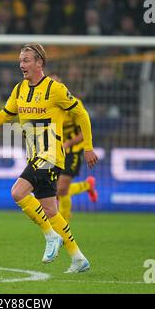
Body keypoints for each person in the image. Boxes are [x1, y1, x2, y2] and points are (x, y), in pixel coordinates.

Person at [0, 43, 98, 273]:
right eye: (21, 60)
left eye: (27, 60)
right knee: (51, 211)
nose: (22, 64)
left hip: (50, 155)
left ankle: (51, 237)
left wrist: (88, 147)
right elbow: (3, 116)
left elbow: (81, 113)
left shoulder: (55, 89)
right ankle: (78, 258)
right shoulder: (19, 90)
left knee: (18, 192)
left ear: (39, 62)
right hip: (34, 156)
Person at [49, 73, 98, 223]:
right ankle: (87, 185)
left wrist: (69, 143)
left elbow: (84, 131)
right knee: (56, 190)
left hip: (74, 150)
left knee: (61, 189)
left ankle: (63, 224)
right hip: (56, 151)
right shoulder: (47, 107)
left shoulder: (74, 104)